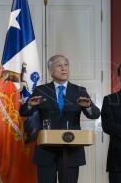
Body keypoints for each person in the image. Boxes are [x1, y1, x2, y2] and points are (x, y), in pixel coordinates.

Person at [20, 54, 100, 183]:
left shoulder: (79, 90)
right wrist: (29, 104)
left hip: (71, 150)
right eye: (59, 65)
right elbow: (23, 112)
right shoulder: (41, 90)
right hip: (46, 151)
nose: (64, 68)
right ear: (51, 71)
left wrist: (89, 106)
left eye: (66, 65)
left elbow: (95, 114)